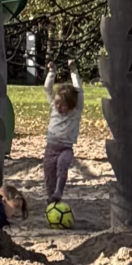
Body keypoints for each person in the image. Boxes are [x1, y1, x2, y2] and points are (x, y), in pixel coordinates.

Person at [42, 67, 83, 205]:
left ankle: (59, 191)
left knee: (62, 165)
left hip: (66, 148)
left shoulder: (75, 112)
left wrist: (74, 71)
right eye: (57, 102)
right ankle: (52, 197)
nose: (58, 107)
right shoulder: (54, 107)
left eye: (63, 105)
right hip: (50, 148)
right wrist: (52, 71)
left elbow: (79, 91)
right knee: (49, 174)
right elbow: (47, 88)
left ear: (71, 105)